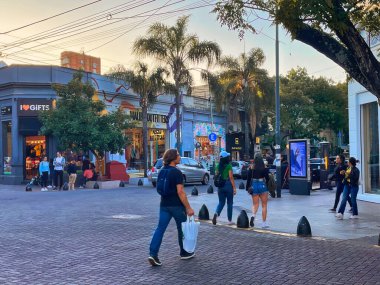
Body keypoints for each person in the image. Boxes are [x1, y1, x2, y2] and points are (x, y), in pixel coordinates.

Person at [149, 149, 195, 266]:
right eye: (178, 155)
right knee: (182, 228)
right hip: (176, 206)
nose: (180, 157)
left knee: (160, 229)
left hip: (164, 204)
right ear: (173, 158)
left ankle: (153, 254)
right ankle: (184, 253)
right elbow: (181, 192)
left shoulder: (162, 171)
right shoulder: (176, 172)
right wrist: (188, 208)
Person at [212, 151, 237, 225]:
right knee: (230, 203)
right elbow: (231, 177)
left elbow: (216, 176)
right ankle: (229, 220)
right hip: (228, 185)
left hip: (220, 186)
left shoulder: (217, 166)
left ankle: (216, 214)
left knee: (221, 202)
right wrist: (234, 188)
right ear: (226, 158)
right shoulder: (229, 166)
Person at [246, 153, 270, 228]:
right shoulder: (264, 167)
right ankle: (264, 223)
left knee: (255, 204)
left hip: (254, 185)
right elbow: (268, 178)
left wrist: (247, 188)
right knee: (264, 205)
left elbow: (248, 178)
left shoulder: (251, 167)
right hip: (262, 184)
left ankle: (253, 216)